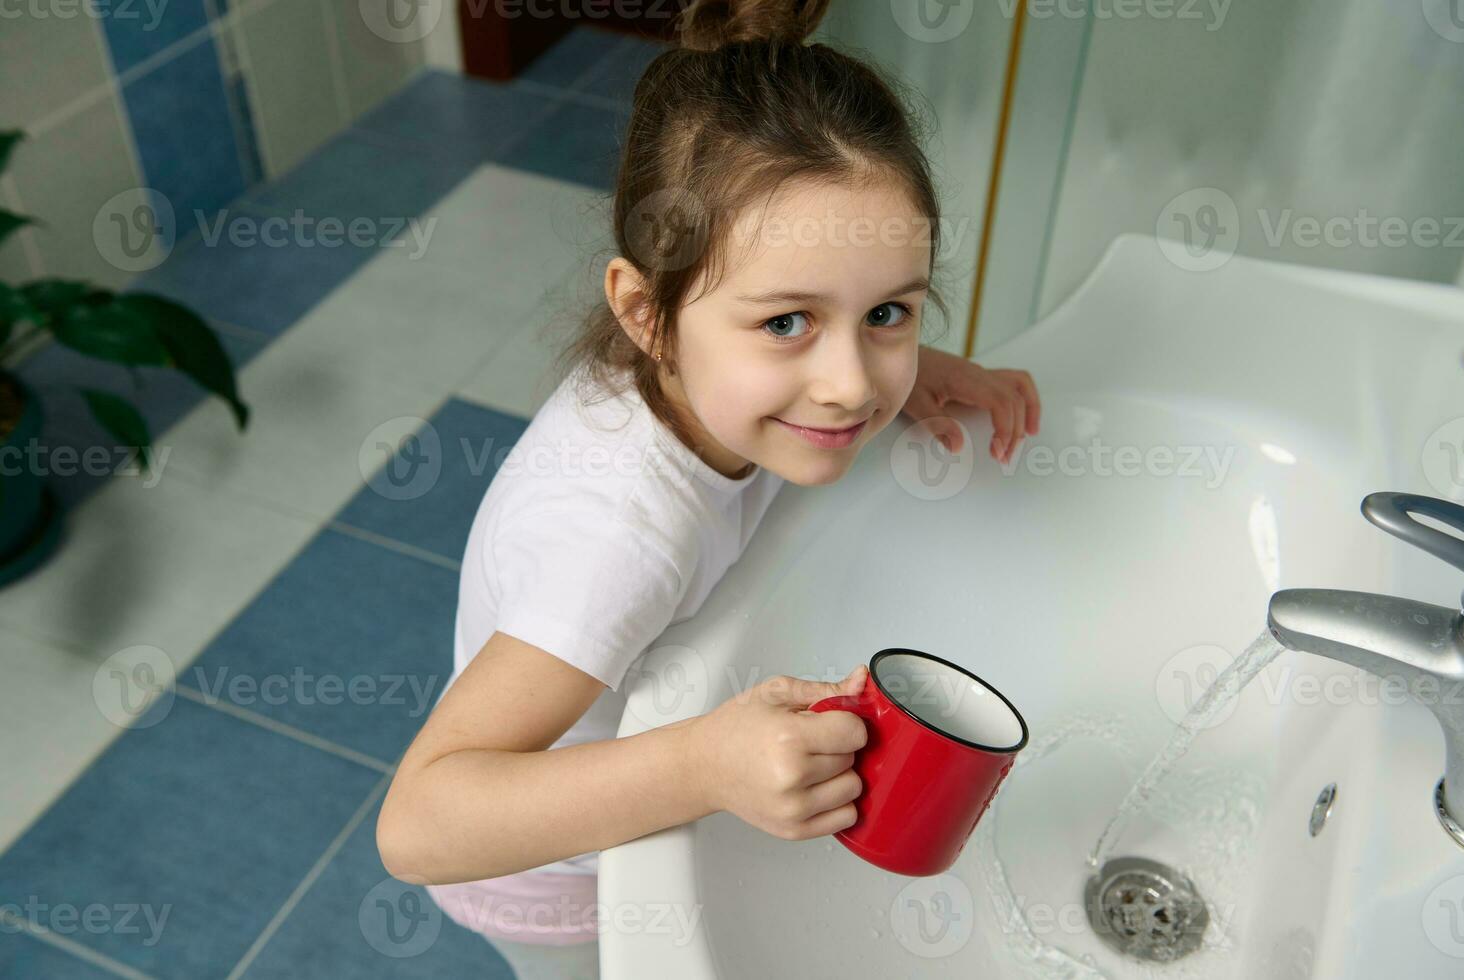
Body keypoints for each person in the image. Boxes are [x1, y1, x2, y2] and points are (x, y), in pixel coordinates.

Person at [376, 0, 1041, 975]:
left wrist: (919, 368)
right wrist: (703, 764)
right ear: (646, 313)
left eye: (887, 310)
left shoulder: (686, 361)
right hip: (554, 871)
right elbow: (419, 822)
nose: (852, 381)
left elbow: (813, 338)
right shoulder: (619, 537)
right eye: (788, 323)